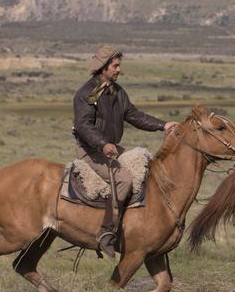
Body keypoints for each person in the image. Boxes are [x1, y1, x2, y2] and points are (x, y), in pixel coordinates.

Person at [73, 45, 179, 258]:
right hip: (91, 150)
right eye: (115, 66)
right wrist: (102, 143)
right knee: (124, 180)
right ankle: (106, 232)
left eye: (119, 65)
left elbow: (135, 116)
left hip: (110, 148)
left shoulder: (117, 92)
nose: (119, 69)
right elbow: (84, 125)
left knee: (143, 168)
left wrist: (164, 125)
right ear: (103, 67)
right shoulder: (88, 93)